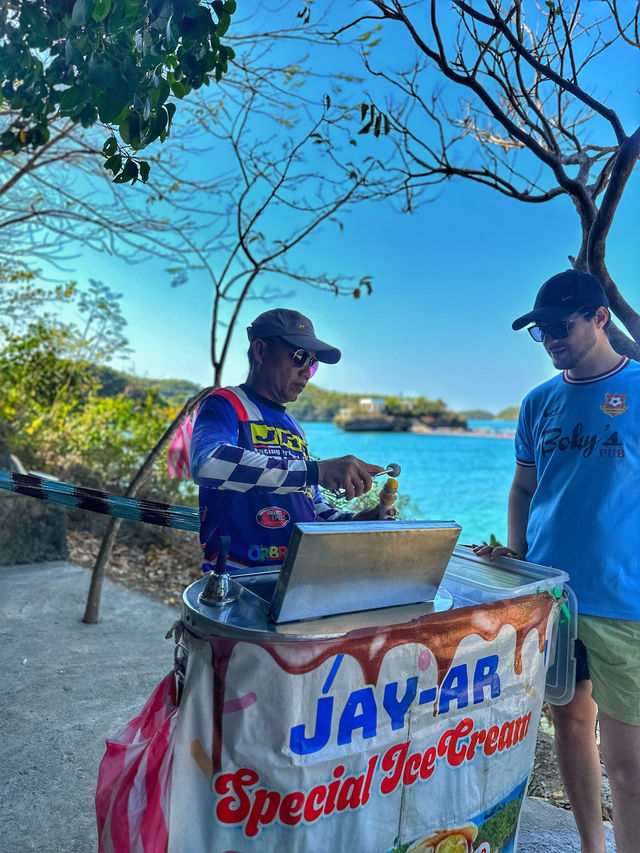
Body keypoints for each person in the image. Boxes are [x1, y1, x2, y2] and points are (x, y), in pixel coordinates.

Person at [473, 269, 640, 853]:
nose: (548, 340)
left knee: (629, 762)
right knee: (569, 725)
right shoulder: (538, 402)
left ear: (600, 319)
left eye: (558, 327)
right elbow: (524, 488)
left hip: (626, 601)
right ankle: (592, 846)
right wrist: (516, 554)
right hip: (552, 598)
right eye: (539, 331)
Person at [190, 308, 391, 572]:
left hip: (295, 576)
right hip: (237, 575)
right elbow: (208, 464)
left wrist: (356, 520)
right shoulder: (226, 404)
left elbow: (312, 507)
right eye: (300, 357)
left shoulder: (294, 428)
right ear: (260, 351)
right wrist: (316, 471)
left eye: (313, 363)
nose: (307, 371)